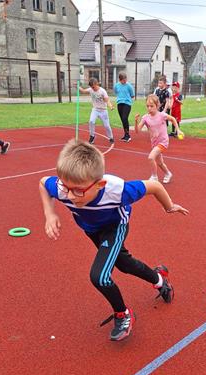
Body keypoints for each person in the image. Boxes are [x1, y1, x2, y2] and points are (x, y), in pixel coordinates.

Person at [38, 140, 189, 341]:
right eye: (65, 188)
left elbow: (154, 186)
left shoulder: (118, 191)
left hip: (115, 227)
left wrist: (169, 207)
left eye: (78, 190)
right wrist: (49, 214)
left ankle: (123, 314)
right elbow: (43, 183)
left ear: (99, 185)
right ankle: (159, 279)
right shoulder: (62, 187)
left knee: (100, 276)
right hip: (91, 229)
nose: (71, 196)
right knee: (124, 264)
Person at [134, 94, 182, 183]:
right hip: (154, 143)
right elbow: (137, 131)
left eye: (151, 106)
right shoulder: (145, 118)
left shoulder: (162, 115)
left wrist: (178, 130)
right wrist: (136, 121)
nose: (149, 108)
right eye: (147, 106)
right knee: (160, 163)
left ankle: (154, 177)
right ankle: (168, 173)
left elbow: (173, 119)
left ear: (157, 105)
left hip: (163, 142)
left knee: (151, 157)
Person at [80, 78, 114, 145]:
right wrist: (78, 87)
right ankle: (92, 136)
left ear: (97, 84)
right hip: (95, 109)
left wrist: (110, 106)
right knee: (91, 121)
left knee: (107, 125)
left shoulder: (102, 91)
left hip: (103, 110)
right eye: (91, 87)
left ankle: (111, 137)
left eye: (93, 87)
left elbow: (107, 100)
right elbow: (83, 91)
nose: (92, 88)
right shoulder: (91, 89)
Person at [114, 72, 135, 142]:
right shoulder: (116, 85)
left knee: (124, 118)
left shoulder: (129, 86)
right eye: (123, 80)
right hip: (119, 103)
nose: (125, 81)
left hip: (127, 103)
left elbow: (132, 95)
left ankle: (128, 135)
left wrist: (129, 101)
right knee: (123, 120)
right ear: (120, 80)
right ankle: (125, 135)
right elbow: (116, 92)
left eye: (126, 79)